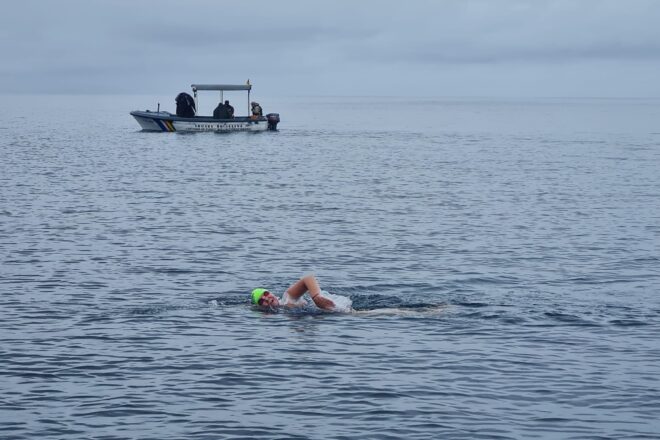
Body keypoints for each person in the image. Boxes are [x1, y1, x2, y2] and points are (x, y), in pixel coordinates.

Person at [251, 274, 335, 310]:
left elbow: (308, 278)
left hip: (339, 306)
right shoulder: (283, 310)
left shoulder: (288, 297)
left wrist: (316, 297)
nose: (266, 298)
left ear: (271, 293)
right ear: (260, 307)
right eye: (261, 301)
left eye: (265, 293)